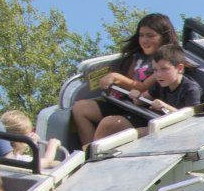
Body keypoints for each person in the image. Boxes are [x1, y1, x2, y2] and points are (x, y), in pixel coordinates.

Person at [69, 14, 177, 147]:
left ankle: (94, 156)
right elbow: (130, 80)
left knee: (109, 123)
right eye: (141, 35)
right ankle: (88, 149)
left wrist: (116, 77)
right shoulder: (138, 57)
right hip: (125, 104)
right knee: (80, 108)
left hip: (143, 112)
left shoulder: (164, 64)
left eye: (150, 36)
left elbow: (142, 88)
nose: (144, 40)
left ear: (164, 37)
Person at [93, 42, 203, 141]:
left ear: (179, 68)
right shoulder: (160, 83)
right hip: (157, 122)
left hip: (183, 133)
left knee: (137, 134)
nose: (158, 74)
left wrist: (164, 106)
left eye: (164, 69)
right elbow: (142, 100)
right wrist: (137, 97)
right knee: (108, 124)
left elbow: (193, 120)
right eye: (155, 70)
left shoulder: (190, 89)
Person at [0, 108, 67, 170]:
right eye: (30, 133)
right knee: (57, 163)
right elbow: (46, 162)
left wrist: (34, 145)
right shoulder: (18, 161)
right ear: (22, 140)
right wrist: (52, 146)